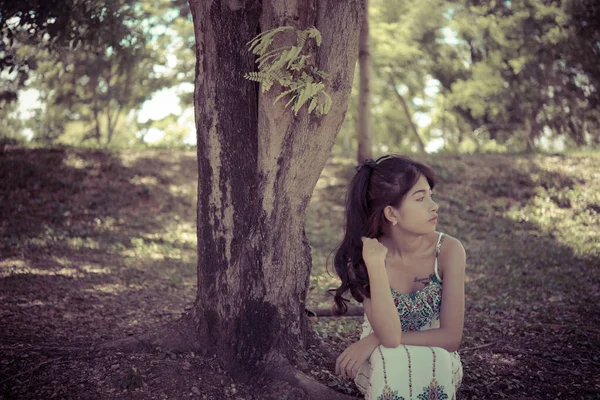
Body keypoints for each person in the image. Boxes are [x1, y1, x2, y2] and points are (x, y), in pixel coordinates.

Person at [331, 154, 465, 400]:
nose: (433, 206)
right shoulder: (366, 256)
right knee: (391, 358)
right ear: (391, 214)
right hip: (380, 360)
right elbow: (390, 337)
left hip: (435, 355)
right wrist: (375, 265)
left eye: (431, 196)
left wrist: (373, 339)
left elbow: (450, 338)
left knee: (436, 360)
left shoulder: (449, 251)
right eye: (420, 198)